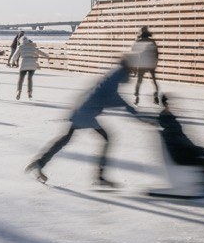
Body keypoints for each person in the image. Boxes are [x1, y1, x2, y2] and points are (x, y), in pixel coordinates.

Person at [26, 58, 148, 187]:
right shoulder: (117, 77)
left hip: (83, 109)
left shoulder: (115, 74)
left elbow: (108, 95)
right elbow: (116, 99)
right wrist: (137, 115)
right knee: (105, 138)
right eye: (133, 71)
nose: (133, 75)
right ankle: (100, 177)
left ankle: (39, 163)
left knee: (65, 138)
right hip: (87, 113)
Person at [151, 95, 204, 198]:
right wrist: (193, 150)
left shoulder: (174, 129)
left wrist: (195, 149)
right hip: (180, 157)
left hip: (184, 153)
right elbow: (178, 145)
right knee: (201, 157)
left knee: (202, 153)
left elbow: (185, 141)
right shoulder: (170, 132)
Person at [10, 35, 47, 99]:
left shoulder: (20, 47)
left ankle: (18, 92)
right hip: (32, 64)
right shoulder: (31, 46)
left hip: (23, 64)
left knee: (21, 79)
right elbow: (39, 52)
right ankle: (29, 93)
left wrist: (12, 62)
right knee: (29, 79)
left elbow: (15, 56)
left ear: (21, 41)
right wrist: (47, 56)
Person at [130, 26, 160, 105]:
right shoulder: (152, 41)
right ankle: (156, 95)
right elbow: (156, 53)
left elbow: (134, 55)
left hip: (142, 64)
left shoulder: (138, 42)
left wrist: (134, 68)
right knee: (154, 81)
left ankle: (136, 97)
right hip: (150, 64)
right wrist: (155, 62)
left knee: (139, 81)